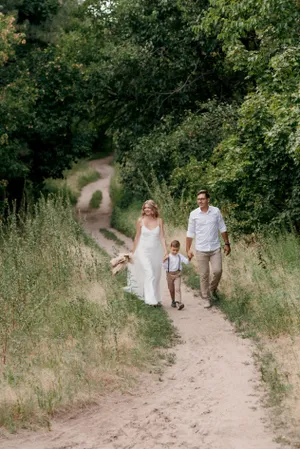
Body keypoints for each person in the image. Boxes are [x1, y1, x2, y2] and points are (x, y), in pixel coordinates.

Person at [186, 190, 231, 308]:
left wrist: (227, 244)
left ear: (207, 200)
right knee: (204, 274)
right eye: (198, 199)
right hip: (201, 249)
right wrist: (188, 249)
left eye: (202, 199)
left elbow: (222, 228)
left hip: (215, 248)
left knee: (217, 271)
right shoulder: (193, 214)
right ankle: (205, 297)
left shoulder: (216, 211)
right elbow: (190, 233)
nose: (200, 201)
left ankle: (212, 289)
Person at [125, 200, 168, 306]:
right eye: (145, 208)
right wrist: (133, 252)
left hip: (156, 251)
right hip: (143, 251)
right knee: (149, 273)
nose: (146, 209)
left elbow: (162, 237)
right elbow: (137, 237)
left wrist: (166, 251)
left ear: (154, 209)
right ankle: (150, 300)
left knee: (156, 275)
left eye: (148, 207)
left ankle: (156, 297)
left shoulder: (159, 221)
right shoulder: (140, 220)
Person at [162, 240, 190, 310]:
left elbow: (186, 262)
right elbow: (164, 266)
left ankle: (178, 303)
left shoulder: (180, 256)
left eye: (176, 250)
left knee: (177, 289)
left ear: (179, 249)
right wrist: (163, 260)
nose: (175, 252)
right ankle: (173, 301)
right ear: (170, 248)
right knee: (171, 289)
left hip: (177, 274)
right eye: (173, 250)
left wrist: (190, 257)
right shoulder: (168, 257)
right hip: (169, 275)